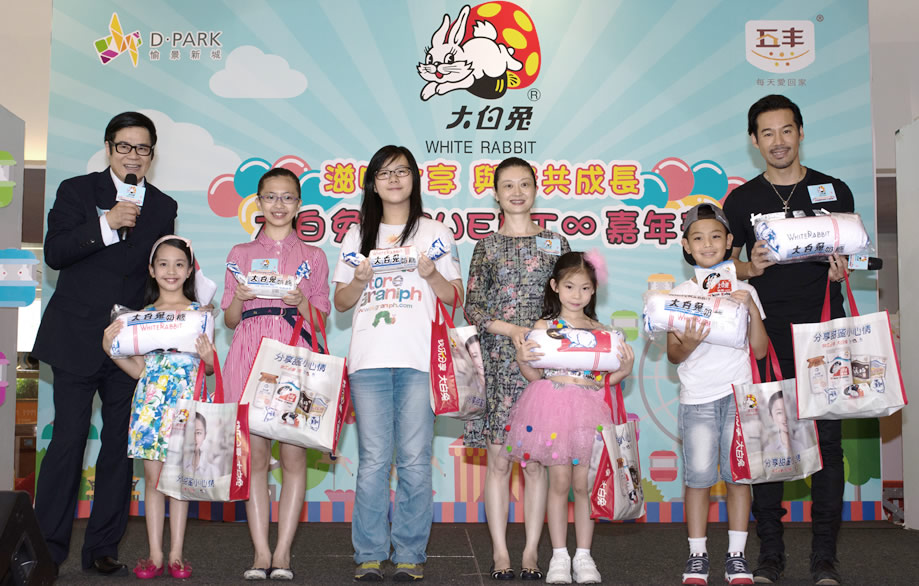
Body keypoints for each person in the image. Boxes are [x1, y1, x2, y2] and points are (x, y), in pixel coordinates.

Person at [32, 111, 177, 576]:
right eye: (125, 146)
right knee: (68, 441)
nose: (134, 156)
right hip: (76, 337)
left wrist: (179, 313)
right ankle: (46, 550)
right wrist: (107, 224)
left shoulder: (163, 205)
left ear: (152, 154)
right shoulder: (76, 191)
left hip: (131, 344)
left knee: (119, 445)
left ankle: (102, 547)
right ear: (109, 148)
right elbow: (55, 253)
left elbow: (158, 272)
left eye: (143, 148)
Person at [722, 94, 853, 586]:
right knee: (768, 443)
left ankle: (825, 558)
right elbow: (722, 264)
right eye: (767, 133)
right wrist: (748, 267)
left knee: (828, 446)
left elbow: (850, 253)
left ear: (800, 132)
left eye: (786, 130)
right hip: (766, 336)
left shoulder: (834, 190)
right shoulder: (741, 201)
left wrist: (842, 270)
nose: (778, 141)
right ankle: (770, 555)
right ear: (754, 141)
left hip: (823, 334)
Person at [333, 145, 463, 582]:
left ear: (414, 179)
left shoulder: (434, 231)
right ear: (372, 183)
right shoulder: (357, 235)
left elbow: (455, 296)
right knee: (372, 460)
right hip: (369, 360)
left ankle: (409, 552)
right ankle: (369, 553)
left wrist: (431, 274)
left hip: (420, 359)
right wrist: (359, 280)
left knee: (414, 460)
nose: (393, 179)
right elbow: (341, 302)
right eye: (384, 173)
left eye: (402, 171)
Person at [463, 156, 570, 581]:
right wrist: (512, 332)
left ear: (535, 189)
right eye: (508, 185)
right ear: (496, 194)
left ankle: (530, 552)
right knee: (499, 461)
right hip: (498, 361)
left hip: (544, 363)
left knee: (536, 463)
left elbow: (568, 301)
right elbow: (473, 306)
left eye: (524, 183)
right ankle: (500, 553)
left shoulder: (555, 242)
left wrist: (544, 336)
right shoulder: (486, 246)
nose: (517, 192)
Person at [221, 167, 331, 581]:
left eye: (287, 197)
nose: (279, 204)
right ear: (259, 202)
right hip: (248, 353)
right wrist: (240, 298)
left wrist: (301, 301)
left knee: (293, 456)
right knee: (256, 458)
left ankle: (283, 551)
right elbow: (230, 319)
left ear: (299, 204)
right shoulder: (240, 253)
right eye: (270, 196)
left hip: (295, 357)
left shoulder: (314, 256)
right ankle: (261, 552)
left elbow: (321, 319)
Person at [507, 251, 635, 585]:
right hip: (552, 407)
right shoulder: (544, 328)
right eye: (569, 286)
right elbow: (534, 375)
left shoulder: (602, 332)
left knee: (584, 484)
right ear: (555, 286)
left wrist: (624, 370)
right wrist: (522, 358)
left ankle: (584, 556)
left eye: (585, 288)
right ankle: (559, 556)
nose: (577, 295)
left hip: (590, 409)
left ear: (594, 291)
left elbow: (605, 380)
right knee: (559, 483)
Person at [666, 204, 768, 585]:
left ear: (729, 242)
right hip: (697, 399)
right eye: (697, 238)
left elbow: (760, 351)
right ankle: (697, 555)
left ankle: (737, 556)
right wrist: (690, 342)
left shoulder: (746, 290)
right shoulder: (680, 295)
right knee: (698, 479)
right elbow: (673, 355)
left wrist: (750, 309)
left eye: (715, 237)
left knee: (740, 479)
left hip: (740, 397)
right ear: (686, 246)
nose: (707, 244)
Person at [101, 235, 214, 579]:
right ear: (151, 270)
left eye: (179, 264)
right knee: (153, 480)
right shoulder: (142, 317)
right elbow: (139, 369)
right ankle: (155, 554)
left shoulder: (200, 314)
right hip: (150, 403)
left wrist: (209, 358)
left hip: (187, 401)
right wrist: (110, 348)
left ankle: (176, 554)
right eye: (163, 264)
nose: (171, 271)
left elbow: (209, 368)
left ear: (190, 270)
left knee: (179, 480)